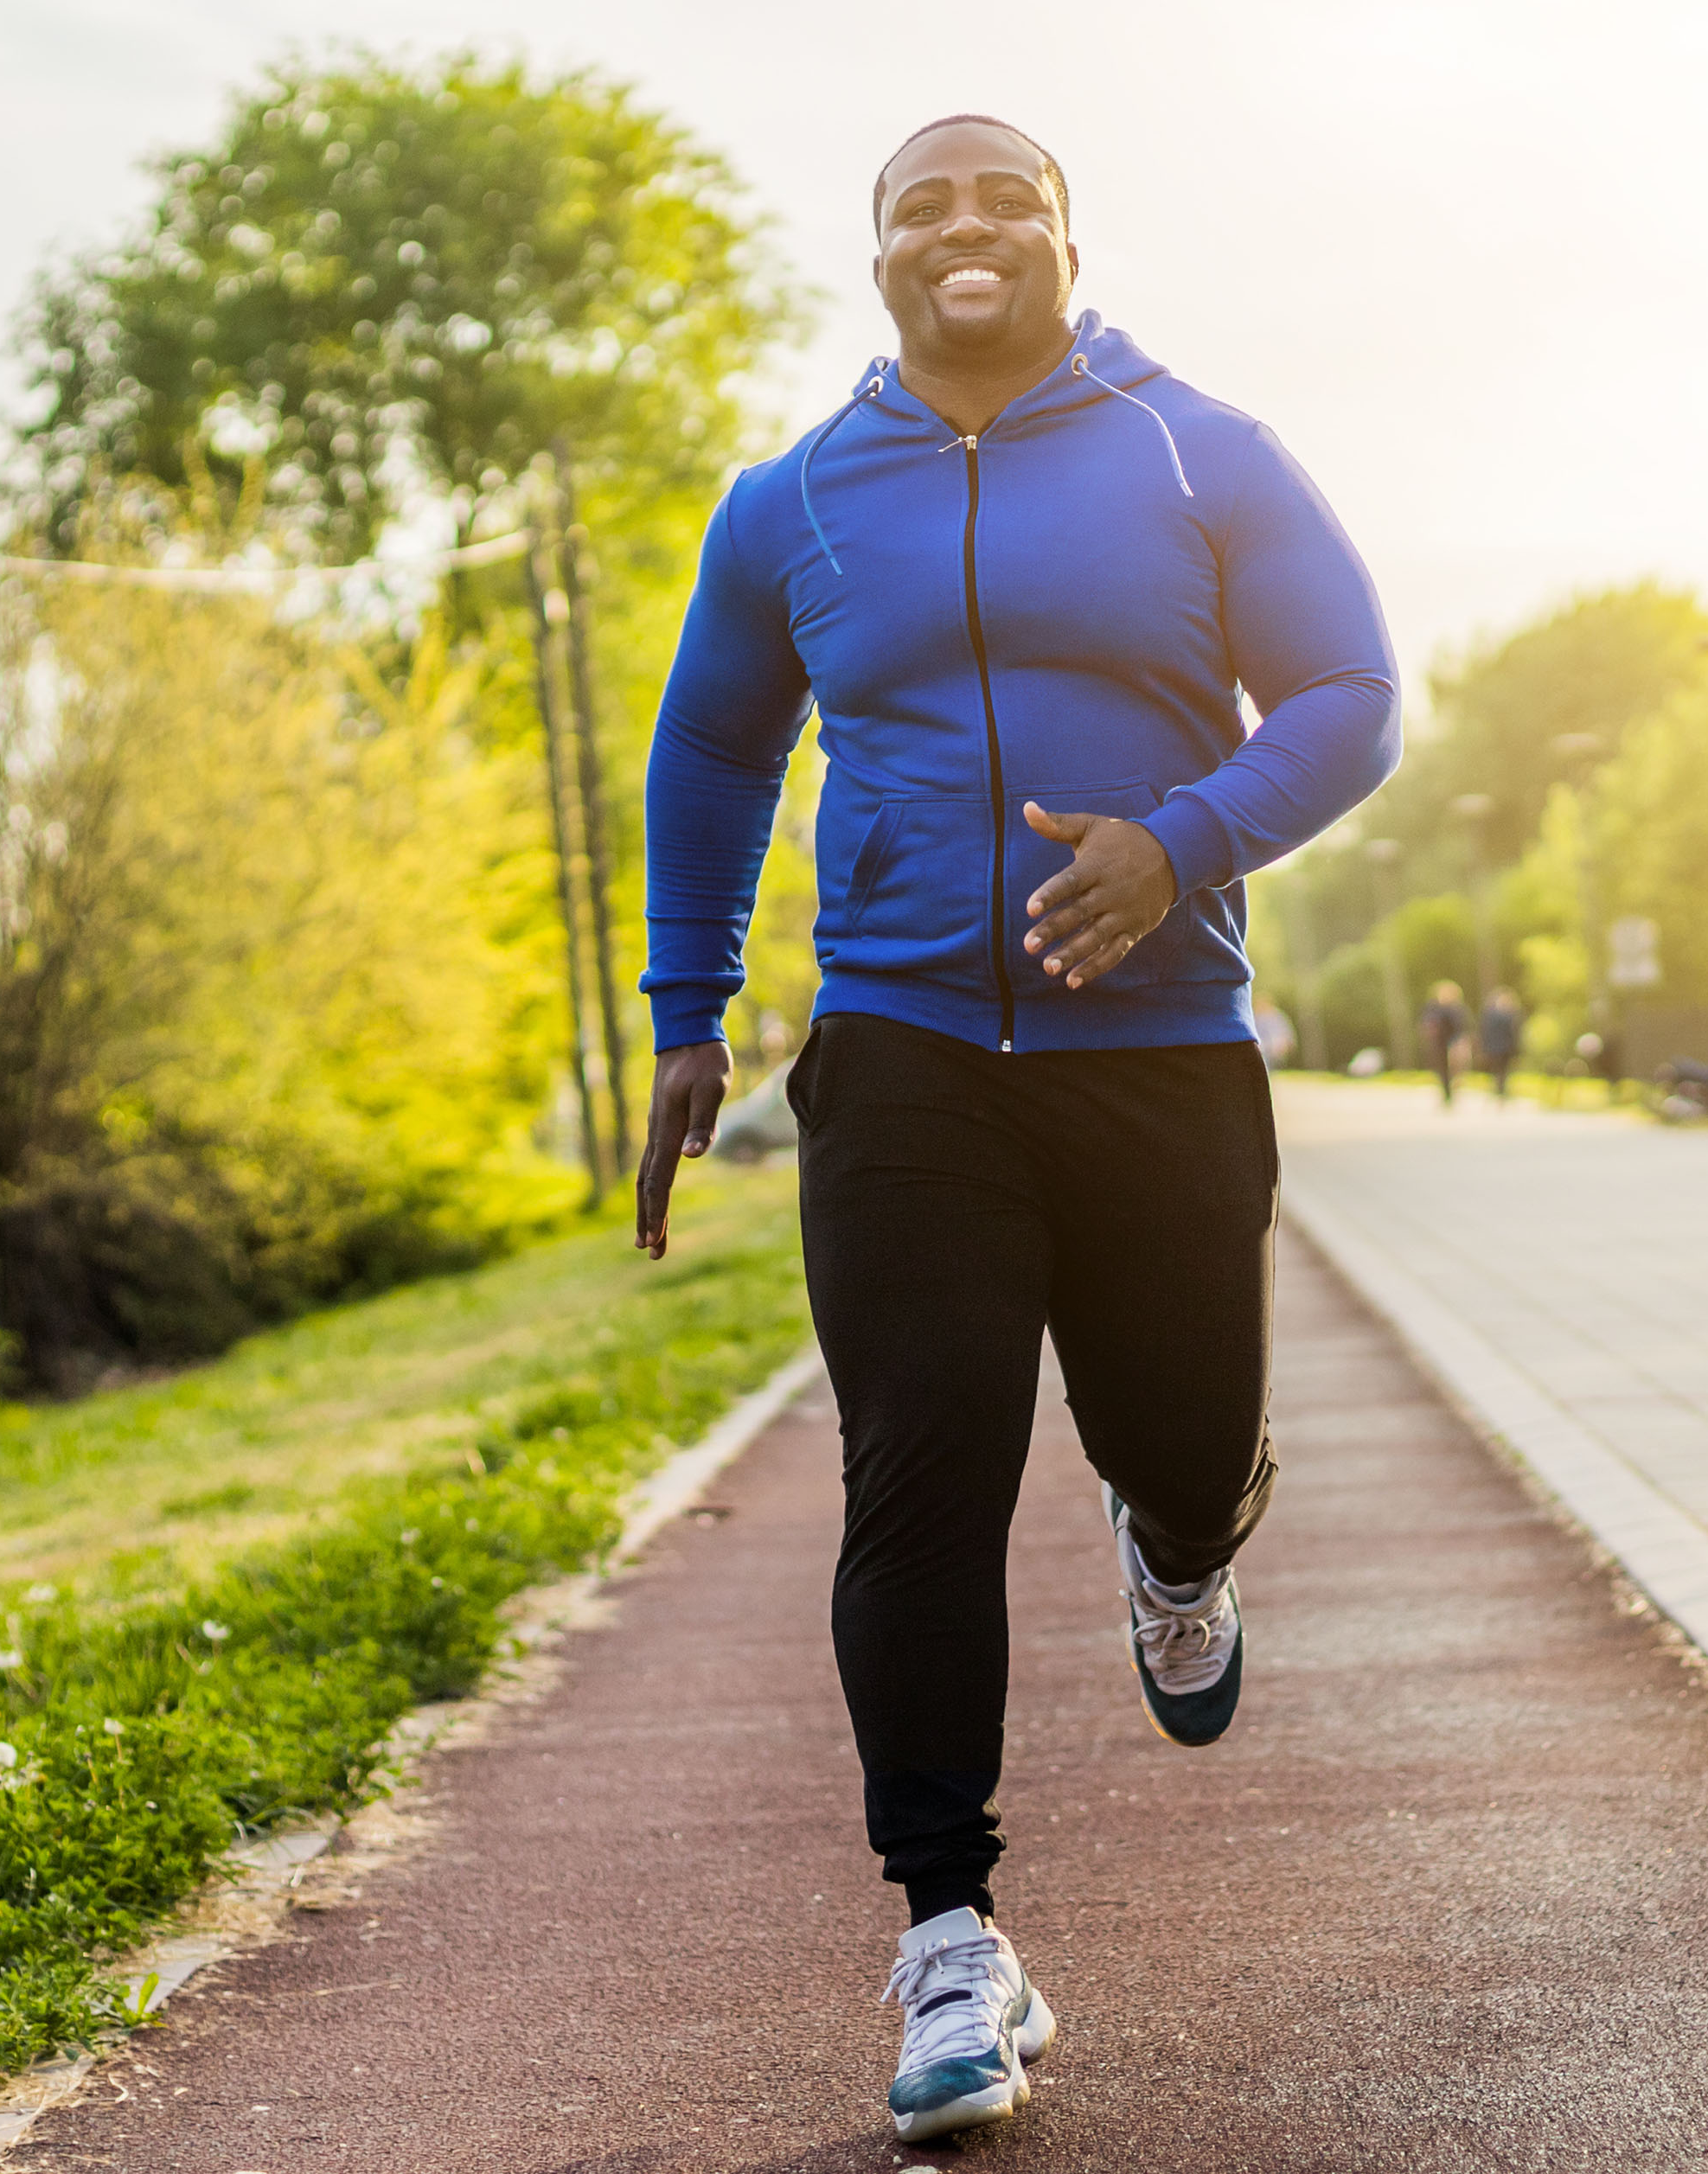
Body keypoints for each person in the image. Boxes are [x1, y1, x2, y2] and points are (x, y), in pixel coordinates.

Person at [630, 115, 1398, 2144]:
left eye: (998, 200)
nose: (960, 229)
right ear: (876, 255)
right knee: (920, 1467)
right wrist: (685, 1013)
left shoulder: (1191, 451)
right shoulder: (794, 497)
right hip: (899, 1050)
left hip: (1154, 1046)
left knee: (1172, 1429)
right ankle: (948, 1928)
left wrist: (1181, 844)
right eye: (918, 207)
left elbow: (1346, 691)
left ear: (1063, 234)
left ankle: (1178, 1541)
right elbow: (713, 740)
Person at [1417, 981, 1473, 1107]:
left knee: (1455, 1069)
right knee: (1442, 1069)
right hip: (1439, 1043)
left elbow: (1463, 1026)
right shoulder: (1433, 1008)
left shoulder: (1457, 1009)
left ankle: (1453, 1089)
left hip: (1454, 1042)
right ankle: (1447, 1094)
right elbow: (1426, 1023)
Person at [1479, 985, 1528, 1103]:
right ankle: (1498, 1090)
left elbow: (1516, 1033)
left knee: (1504, 1070)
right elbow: (1485, 1031)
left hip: (1506, 1046)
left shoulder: (1512, 1014)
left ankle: (1501, 1090)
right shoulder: (1491, 1014)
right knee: (1497, 1069)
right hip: (1494, 1046)